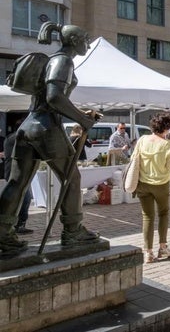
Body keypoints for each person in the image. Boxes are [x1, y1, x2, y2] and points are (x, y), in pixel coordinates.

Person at [0, 22, 100, 255]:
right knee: (71, 178)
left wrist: (78, 114)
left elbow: (50, 98)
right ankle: (73, 231)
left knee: (18, 182)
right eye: (85, 39)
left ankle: (3, 235)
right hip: (46, 128)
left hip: (29, 127)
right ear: (74, 41)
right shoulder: (63, 61)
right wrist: (83, 121)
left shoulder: (54, 60)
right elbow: (54, 98)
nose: (87, 43)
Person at [135, 112, 170, 263]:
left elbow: (134, 158)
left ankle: (148, 252)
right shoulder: (167, 144)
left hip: (143, 183)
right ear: (166, 128)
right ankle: (163, 247)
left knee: (147, 216)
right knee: (163, 214)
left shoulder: (142, 139)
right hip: (161, 183)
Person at [3, 120, 33, 235]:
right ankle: (17, 224)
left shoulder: (11, 138)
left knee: (22, 198)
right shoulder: (15, 139)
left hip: (15, 173)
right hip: (15, 174)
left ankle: (17, 224)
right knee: (25, 198)